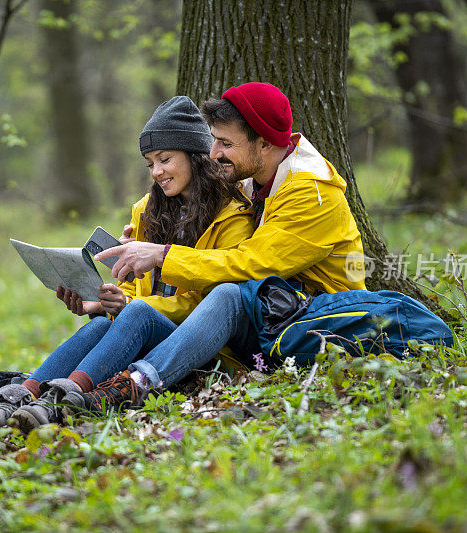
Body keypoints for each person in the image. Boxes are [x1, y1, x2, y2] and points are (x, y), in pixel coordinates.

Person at [59, 82, 366, 414]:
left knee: (226, 295)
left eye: (225, 142)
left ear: (263, 143)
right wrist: (122, 281)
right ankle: (35, 391)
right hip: (270, 317)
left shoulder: (311, 194)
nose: (214, 152)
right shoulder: (254, 184)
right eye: (214, 140)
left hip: (314, 327)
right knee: (118, 319)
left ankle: (134, 385)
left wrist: (161, 256)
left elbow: (251, 263)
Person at [0, 96, 253, 431]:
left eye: (165, 159)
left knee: (139, 312)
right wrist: (103, 303)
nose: (157, 171)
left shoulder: (232, 215)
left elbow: (214, 305)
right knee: (104, 323)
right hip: (147, 331)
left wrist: (131, 304)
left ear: (195, 155)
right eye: (149, 163)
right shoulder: (148, 210)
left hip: (198, 348)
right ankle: (23, 396)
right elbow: (135, 291)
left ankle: (63, 399)